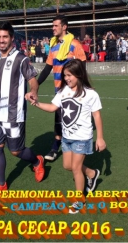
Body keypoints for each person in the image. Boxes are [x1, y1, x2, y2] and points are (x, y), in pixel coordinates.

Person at [28, 59, 106, 213]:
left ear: (79, 74)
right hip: (67, 136)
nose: (67, 78)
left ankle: (79, 200)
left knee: (76, 168)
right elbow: (52, 108)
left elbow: (96, 116)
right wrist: (36, 103)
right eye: (65, 76)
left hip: (82, 137)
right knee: (67, 166)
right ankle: (91, 173)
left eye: (70, 75)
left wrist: (100, 137)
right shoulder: (63, 91)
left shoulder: (90, 94)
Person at [0, 21, 45, 193]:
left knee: (16, 151)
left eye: (5, 37)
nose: (1, 40)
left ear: (11, 38)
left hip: (12, 114)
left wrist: (33, 92)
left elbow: (33, 80)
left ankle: (37, 161)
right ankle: (1, 184)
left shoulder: (20, 59)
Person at [30, 14, 86, 162]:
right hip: (59, 91)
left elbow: (83, 66)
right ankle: (55, 147)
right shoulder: (53, 46)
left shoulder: (74, 44)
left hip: (74, 92)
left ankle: (76, 149)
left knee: (74, 120)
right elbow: (47, 68)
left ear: (64, 27)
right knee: (58, 120)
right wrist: (35, 85)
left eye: (56, 25)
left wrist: (81, 88)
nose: (53, 28)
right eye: (53, 25)